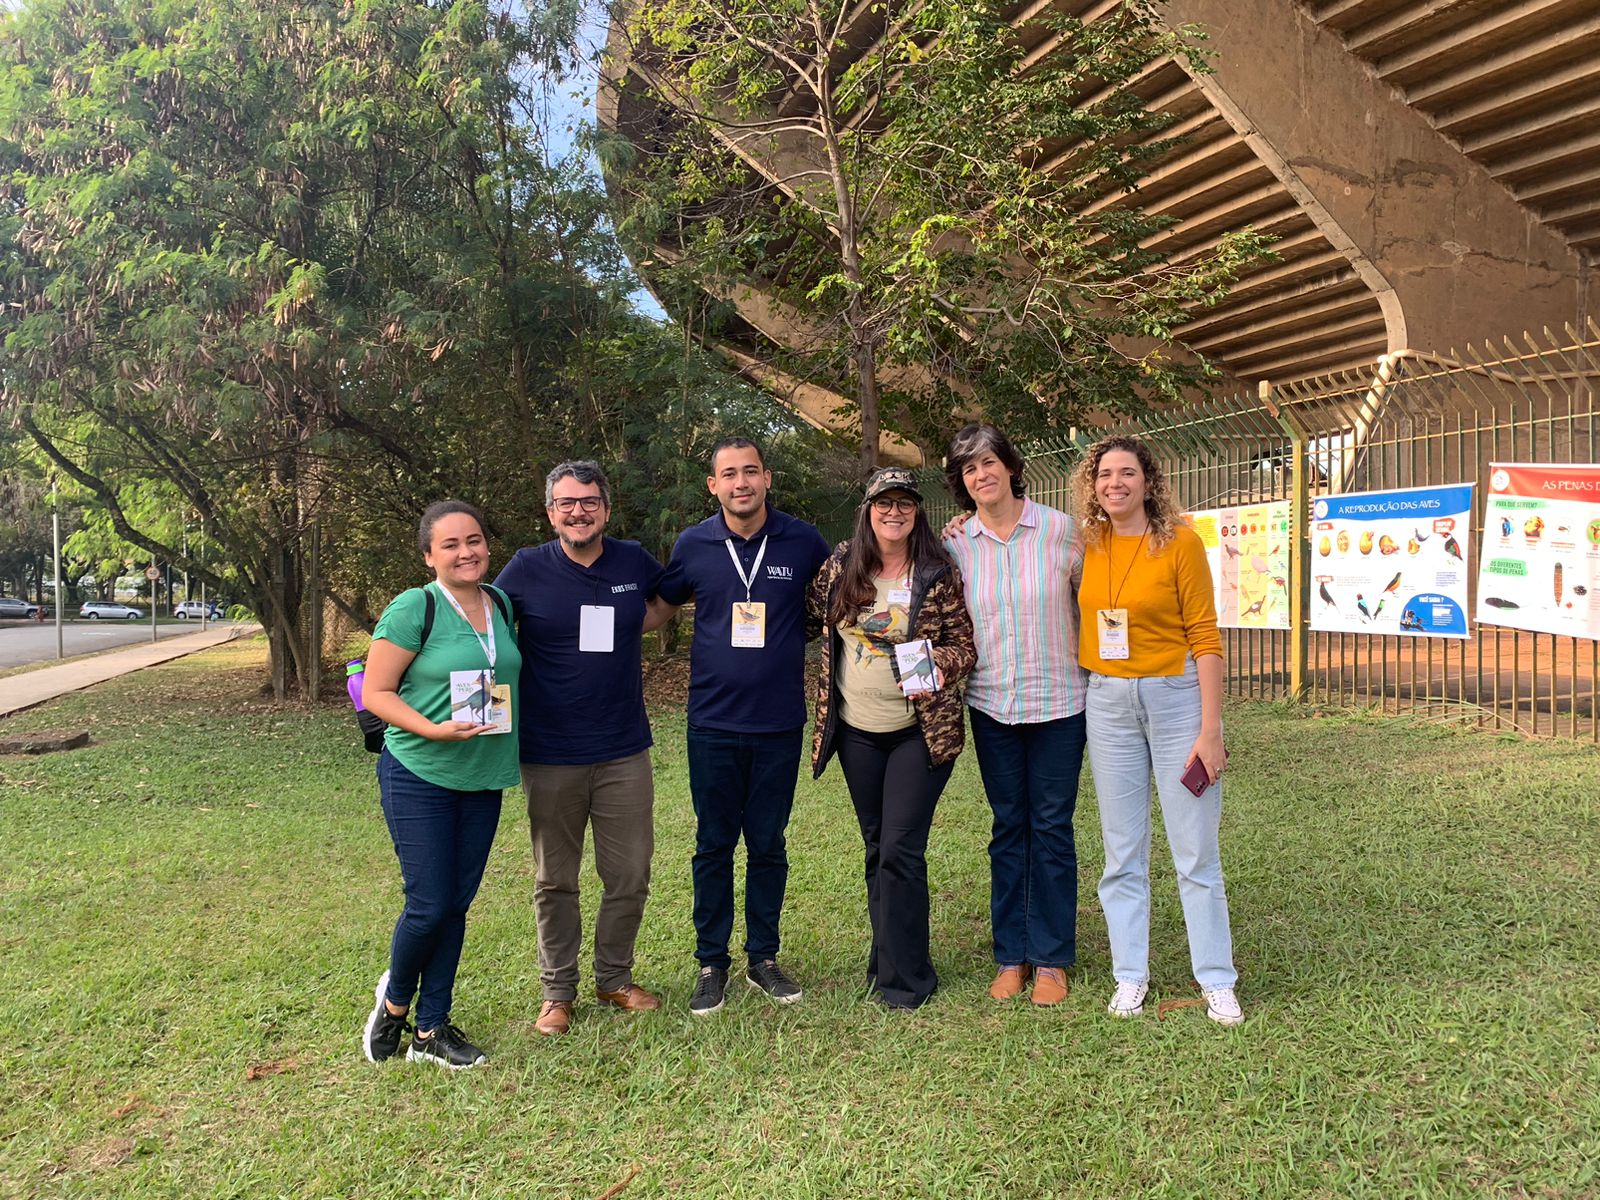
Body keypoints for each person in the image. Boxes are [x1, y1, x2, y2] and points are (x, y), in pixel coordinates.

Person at [655, 437, 832, 1015]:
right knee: (712, 844)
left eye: (750, 471)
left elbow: (840, 594)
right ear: (714, 485)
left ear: (767, 478)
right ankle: (712, 963)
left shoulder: (803, 541)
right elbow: (658, 605)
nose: (740, 483)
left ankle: (764, 958)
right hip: (711, 722)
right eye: (728, 474)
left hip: (779, 723)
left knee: (768, 843)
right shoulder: (694, 544)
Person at [1073, 435, 1242, 1026]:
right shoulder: (1088, 545)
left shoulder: (1181, 543)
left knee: (1194, 851)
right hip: (1108, 703)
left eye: (1126, 472)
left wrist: (1210, 728)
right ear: (1092, 485)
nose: (1114, 483)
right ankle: (1130, 975)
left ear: (1149, 482)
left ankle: (1216, 978)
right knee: (1122, 853)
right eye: (1104, 474)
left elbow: (1204, 635)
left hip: (1174, 701)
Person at [493, 461, 665, 1037]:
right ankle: (557, 993)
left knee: (629, 873)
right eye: (566, 503)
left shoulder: (633, 561)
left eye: (588, 501)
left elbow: (664, 603)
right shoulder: (524, 569)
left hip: (623, 750)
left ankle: (615, 978)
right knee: (554, 880)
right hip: (549, 753)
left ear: (605, 509)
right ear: (551, 513)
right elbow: (482, 629)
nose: (578, 511)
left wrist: (633, 626)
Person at [360, 500, 522, 1069]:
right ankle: (396, 1004)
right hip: (419, 772)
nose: (466, 552)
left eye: (474, 540)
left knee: (456, 904)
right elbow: (376, 692)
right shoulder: (414, 608)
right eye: (450, 544)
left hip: (483, 774)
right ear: (429, 555)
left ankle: (431, 1031)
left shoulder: (500, 603)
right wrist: (432, 728)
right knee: (428, 905)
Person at [808, 468, 976, 1009]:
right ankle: (885, 960)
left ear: (916, 512)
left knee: (902, 849)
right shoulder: (840, 566)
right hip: (857, 731)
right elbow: (813, 616)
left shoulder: (936, 571)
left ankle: (909, 980)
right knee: (878, 846)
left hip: (918, 732)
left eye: (905, 503)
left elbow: (963, 644)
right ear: (868, 510)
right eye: (884, 503)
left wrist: (931, 662)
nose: (894, 512)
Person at [942, 424, 1087, 1008]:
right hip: (993, 703)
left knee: (1051, 827)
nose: (981, 475)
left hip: (1059, 702)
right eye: (969, 469)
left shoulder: (1061, 531)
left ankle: (1051, 958)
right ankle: (1012, 954)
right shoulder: (957, 544)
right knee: (1008, 829)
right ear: (961, 482)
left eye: (989, 462)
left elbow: (1101, 596)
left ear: (1009, 465)